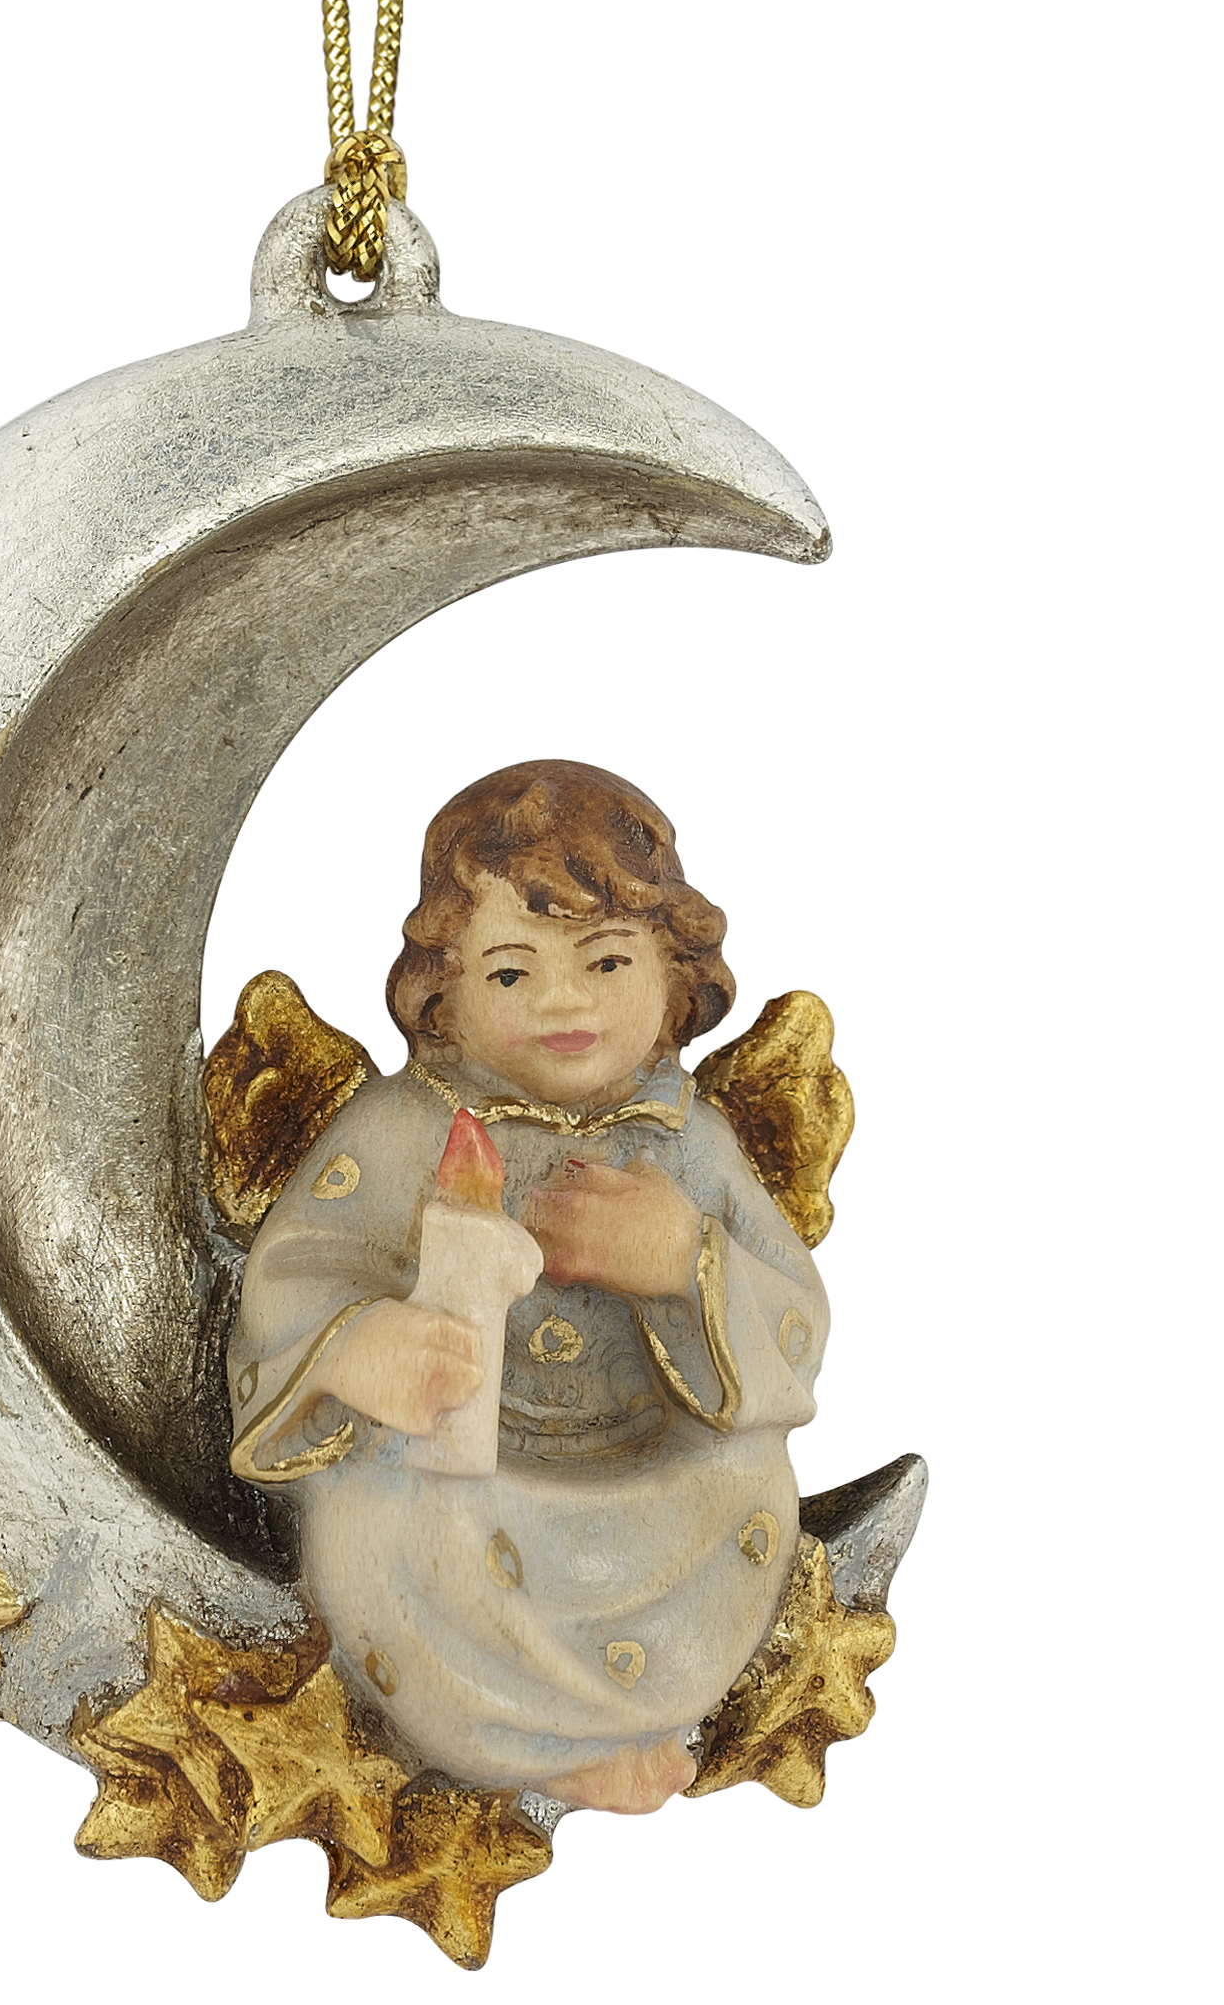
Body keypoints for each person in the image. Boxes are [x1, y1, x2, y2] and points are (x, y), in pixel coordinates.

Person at [227, 761, 828, 1813]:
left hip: (652, 1474)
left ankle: (638, 1712)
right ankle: (507, 1737)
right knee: (377, 1515)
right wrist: (360, 1348)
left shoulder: (691, 1144)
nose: (563, 1000)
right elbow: (293, 1276)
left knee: (753, 1476)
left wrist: (687, 1259)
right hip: (459, 1471)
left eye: (607, 961)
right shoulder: (401, 1131)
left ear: (675, 976)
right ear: (444, 995)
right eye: (511, 973)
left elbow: (796, 1332)